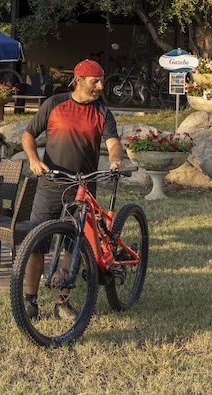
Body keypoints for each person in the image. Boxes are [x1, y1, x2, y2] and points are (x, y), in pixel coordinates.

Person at [19, 59, 126, 317]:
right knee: (36, 243)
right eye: (95, 81)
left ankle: (62, 302)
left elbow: (113, 142)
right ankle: (30, 301)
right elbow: (28, 134)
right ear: (79, 80)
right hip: (51, 183)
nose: (100, 86)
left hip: (84, 188)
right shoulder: (54, 104)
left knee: (73, 246)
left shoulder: (102, 112)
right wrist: (33, 160)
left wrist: (115, 160)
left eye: (101, 81)